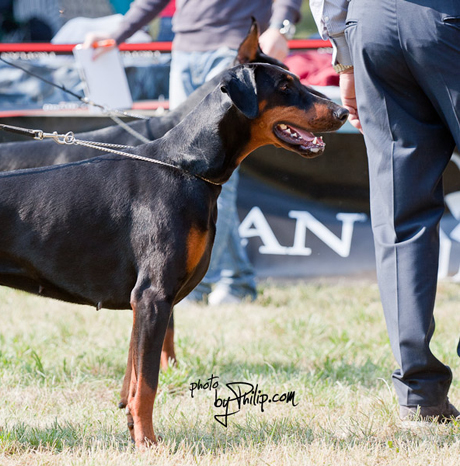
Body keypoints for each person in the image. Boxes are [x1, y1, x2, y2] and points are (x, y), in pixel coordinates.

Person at [83, 0, 301, 305]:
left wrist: (281, 26)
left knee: (214, 176)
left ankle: (194, 288)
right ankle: (236, 281)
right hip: (184, 49)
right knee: (189, 175)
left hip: (234, 50)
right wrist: (118, 33)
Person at [310, 0, 460, 422]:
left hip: (370, 21)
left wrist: (345, 58)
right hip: (446, 18)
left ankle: (419, 395)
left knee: (400, 213)